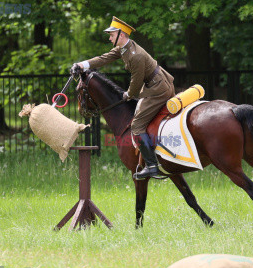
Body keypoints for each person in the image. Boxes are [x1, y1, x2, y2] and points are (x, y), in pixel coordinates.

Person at [72, 16, 175, 180]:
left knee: (137, 125)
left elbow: (137, 80)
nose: (109, 37)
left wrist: (129, 94)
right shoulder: (124, 48)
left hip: (157, 89)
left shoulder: (135, 55)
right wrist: (81, 65)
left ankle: (152, 166)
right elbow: (103, 58)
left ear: (121, 35)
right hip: (154, 85)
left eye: (111, 34)